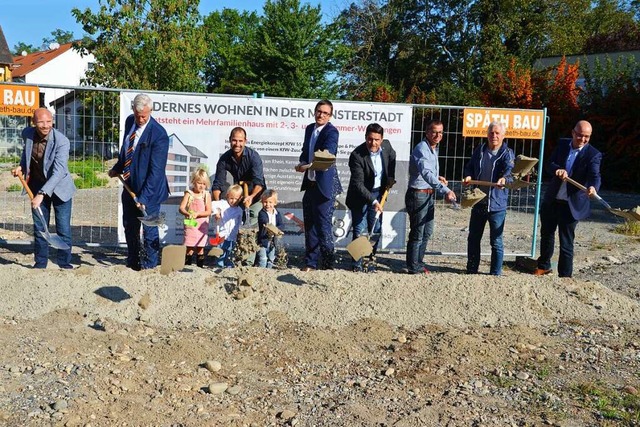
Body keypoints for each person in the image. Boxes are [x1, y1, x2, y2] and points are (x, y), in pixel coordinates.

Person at [108, 93, 170, 270]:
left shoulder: (159, 135)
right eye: (137, 115)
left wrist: (143, 197)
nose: (140, 119)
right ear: (133, 111)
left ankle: (150, 265)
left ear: (151, 111)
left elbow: (156, 172)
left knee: (150, 229)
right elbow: (127, 150)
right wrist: (118, 167)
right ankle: (133, 261)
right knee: (130, 225)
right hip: (130, 186)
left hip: (150, 191)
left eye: (144, 115)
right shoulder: (130, 122)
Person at [535, 120, 602, 278]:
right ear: (573, 133)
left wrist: (593, 188)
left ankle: (565, 277)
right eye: (580, 135)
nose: (583, 139)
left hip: (571, 204)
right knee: (546, 235)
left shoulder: (593, 154)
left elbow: (595, 176)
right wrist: (557, 169)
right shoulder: (563, 145)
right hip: (552, 200)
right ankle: (544, 266)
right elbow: (549, 164)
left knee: (566, 243)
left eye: (587, 137)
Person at [11, 108, 76, 269]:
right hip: (36, 185)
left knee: (63, 229)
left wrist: (42, 193)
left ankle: (64, 264)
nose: (45, 125)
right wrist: (21, 167)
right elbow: (27, 155)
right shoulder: (27, 134)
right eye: (41, 122)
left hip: (60, 189)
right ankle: (40, 264)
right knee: (40, 228)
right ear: (34, 123)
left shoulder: (61, 141)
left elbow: (59, 171)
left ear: (52, 121)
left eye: (48, 121)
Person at [295, 99, 342, 271]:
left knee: (323, 227)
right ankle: (310, 263)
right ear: (314, 111)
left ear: (330, 116)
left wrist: (307, 166)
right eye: (318, 111)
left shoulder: (332, 132)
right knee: (310, 225)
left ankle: (328, 265)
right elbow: (305, 151)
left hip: (325, 186)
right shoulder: (309, 129)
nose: (321, 115)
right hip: (310, 183)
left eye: (325, 113)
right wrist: (302, 162)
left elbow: (328, 155)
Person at [463, 121, 515, 276]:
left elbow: (510, 172)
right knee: (473, 238)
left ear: (503, 136)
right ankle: (472, 270)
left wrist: (504, 179)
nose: (494, 136)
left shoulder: (507, 153)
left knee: (496, 242)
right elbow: (470, 166)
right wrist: (468, 175)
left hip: (497, 205)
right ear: (487, 134)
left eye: (497, 133)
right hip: (479, 201)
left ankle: (495, 273)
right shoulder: (480, 150)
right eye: (491, 133)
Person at [405, 119, 457, 274]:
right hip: (418, 195)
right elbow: (425, 172)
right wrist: (445, 189)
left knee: (427, 232)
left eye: (440, 132)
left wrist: (438, 177)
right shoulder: (422, 148)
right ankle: (413, 267)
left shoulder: (433, 149)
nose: (437, 135)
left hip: (428, 194)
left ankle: (418, 263)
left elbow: (428, 172)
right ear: (427, 132)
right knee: (418, 233)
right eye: (434, 131)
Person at [346, 123, 396, 272]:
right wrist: (373, 201)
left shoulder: (386, 147)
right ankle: (357, 264)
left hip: (378, 194)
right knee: (360, 230)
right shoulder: (357, 155)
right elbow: (358, 184)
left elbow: (392, 157)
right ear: (365, 137)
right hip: (360, 196)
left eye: (376, 139)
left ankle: (369, 260)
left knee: (376, 229)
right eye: (370, 139)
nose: (373, 143)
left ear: (381, 139)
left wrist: (390, 177)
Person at [211, 127, 265, 223]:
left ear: (245, 141)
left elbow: (259, 182)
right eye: (234, 140)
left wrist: (251, 197)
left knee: (253, 217)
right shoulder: (224, 159)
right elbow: (217, 185)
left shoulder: (253, 157)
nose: (237, 144)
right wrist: (218, 206)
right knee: (231, 219)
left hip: (256, 196)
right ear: (230, 140)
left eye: (240, 141)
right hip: (238, 196)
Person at [179, 168, 212, 267]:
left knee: (200, 248)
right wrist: (187, 213)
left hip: (202, 226)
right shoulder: (189, 194)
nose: (201, 186)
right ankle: (187, 266)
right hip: (190, 225)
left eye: (204, 184)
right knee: (189, 247)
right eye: (199, 183)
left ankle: (199, 267)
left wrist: (198, 214)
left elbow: (209, 211)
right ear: (193, 182)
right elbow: (181, 208)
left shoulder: (206, 195)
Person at [210, 184, 244, 268]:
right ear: (227, 196)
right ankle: (219, 267)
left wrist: (240, 230)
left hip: (232, 236)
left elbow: (240, 222)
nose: (233, 201)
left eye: (236, 199)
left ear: (240, 198)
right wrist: (217, 211)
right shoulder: (223, 204)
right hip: (221, 235)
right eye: (231, 198)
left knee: (230, 254)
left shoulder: (239, 210)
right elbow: (212, 204)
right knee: (220, 253)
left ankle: (229, 268)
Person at [255, 189, 284, 269]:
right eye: (265, 202)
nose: (267, 204)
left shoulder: (277, 213)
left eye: (270, 202)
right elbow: (265, 222)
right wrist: (271, 228)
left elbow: (281, 225)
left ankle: (269, 272)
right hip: (263, 241)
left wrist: (279, 230)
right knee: (263, 258)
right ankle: (261, 272)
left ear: (275, 203)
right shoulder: (262, 213)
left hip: (273, 241)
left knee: (271, 258)